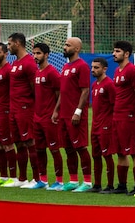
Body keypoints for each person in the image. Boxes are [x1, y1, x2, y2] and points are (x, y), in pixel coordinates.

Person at [56, 37, 93, 192]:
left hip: (75, 115)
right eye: (65, 44)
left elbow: (85, 91)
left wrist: (78, 111)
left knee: (80, 148)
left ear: (77, 49)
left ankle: (88, 182)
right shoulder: (65, 66)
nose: (65, 47)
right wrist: (56, 110)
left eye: (68, 45)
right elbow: (62, 92)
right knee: (68, 148)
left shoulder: (82, 66)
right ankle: (73, 180)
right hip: (64, 114)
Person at [27, 42, 63, 190]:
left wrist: (55, 111)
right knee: (39, 149)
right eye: (34, 53)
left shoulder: (52, 72)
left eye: (38, 53)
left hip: (49, 118)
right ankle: (42, 180)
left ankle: (59, 182)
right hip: (37, 117)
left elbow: (59, 93)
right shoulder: (37, 72)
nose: (35, 56)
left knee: (54, 149)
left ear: (46, 55)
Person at [3, 32, 37, 188]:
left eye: (9, 44)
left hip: (25, 109)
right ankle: (21, 178)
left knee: (30, 142)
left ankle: (37, 179)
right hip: (14, 109)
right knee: (18, 143)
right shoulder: (15, 63)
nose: (8, 47)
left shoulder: (29, 62)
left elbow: (34, 88)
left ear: (17, 43)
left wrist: (29, 106)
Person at [110, 40, 135, 195]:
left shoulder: (132, 70)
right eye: (114, 51)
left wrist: (133, 111)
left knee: (134, 151)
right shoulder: (117, 70)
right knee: (120, 151)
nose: (113, 54)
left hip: (129, 116)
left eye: (117, 51)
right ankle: (122, 185)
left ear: (126, 54)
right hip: (117, 115)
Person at [0, 42, 17, 185]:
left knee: (8, 145)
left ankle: (13, 176)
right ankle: (4, 176)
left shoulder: (9, 70)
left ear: (6, 54)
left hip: (5, 112)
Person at [89, 57, 118, 193]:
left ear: (105, 69)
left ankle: (110, 185)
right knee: (95, 155)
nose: (93, 70)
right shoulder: (95, 85)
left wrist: (111, 124)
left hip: (106, 126)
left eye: (96, 67)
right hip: (95, 125)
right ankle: (97, 184)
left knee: (107, 155)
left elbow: (114, 106)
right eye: (92, 67)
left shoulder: (109, 84)